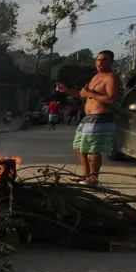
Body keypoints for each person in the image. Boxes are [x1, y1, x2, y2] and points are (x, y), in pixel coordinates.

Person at [57, 50, 122, 186]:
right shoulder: (95, 77)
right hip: (88, 118)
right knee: (78, 146)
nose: (100, 63)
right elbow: (83, 94)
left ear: (111, 62)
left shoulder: (111, 78)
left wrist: (91, 93)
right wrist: (67, 90)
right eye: (98, 60)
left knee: (93, 149)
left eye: (104, 60)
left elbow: (112, 99)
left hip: (101, 118)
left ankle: (93, 178)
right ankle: (85, 174)